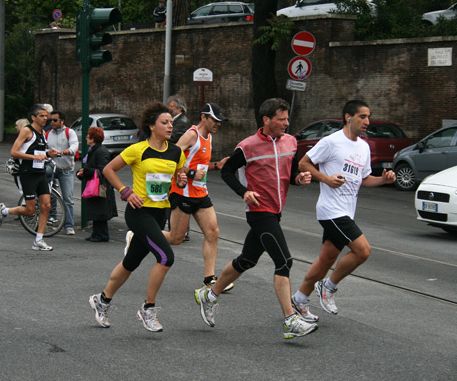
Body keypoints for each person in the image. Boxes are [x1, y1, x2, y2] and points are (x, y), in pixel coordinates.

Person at [194, 98, 318, 339]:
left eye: (287, 118)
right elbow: (228, 172)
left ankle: (209, 295)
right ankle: (290, 320)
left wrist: (299, 179)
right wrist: (244, 192)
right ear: (266, 120)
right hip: (259, 211)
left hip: (276, 211)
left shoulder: (291, 142)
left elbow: (290, 173)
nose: (286, 123)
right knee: (284, 262)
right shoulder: (247, 146)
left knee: (247, 260)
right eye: (281, 119)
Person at [291, 100, 396, 321]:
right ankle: (328, 287)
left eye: (368, 117)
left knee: (326, 260)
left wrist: (384, 180)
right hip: (331, 210)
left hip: (346, 211)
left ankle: (299, 298)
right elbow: (303, 163)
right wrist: (326, 179)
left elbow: (364, 180)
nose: (367, 122)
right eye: (362, 117)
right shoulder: (331, 142)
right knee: (363, 251)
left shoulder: (363, 147)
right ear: (348, 117)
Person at [88, 101, 187, 332]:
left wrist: (181, 180)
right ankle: (148, 309)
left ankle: (102, 300)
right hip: (139, 212)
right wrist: (125, 191)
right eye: (165, 122)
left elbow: (179, 173)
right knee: (165, 257)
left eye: (171, 122)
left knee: (130, 262)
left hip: (160, 212)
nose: (170, 126)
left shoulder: (176, 152)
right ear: (152, 126)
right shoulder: (137, 149)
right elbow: (108, 169)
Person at [162, 103, 234, 291]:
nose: (218, 124)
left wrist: (217, 165)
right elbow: (172, 156)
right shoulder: (191, 134)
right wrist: (191, 173)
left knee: (213, 232)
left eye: (220, 121)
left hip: (200, 194)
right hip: (182, 192)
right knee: (175, 238)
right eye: (215, 120)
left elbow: (202, 166)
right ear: (204, 117)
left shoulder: (209, 138)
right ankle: (139, 234)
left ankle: (209, 279)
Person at [0, 104, 56, 251]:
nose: (45, 118)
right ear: (33, 117)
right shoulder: (27, 131)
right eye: (42, 116)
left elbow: (40, 153)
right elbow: (14, 152)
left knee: (46, 206)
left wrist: (48, 154)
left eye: (46, 115)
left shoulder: (42, 133)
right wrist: (34, 157)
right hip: (28, 174)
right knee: (29, 210)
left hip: (41, 173)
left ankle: (39, 240)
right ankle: (4, 211)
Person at [76, 127, 117, 242]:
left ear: (92, 139)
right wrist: (82, 173)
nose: (86, 138)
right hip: (96, 184)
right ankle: (96, 233)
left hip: (101, 185)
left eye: (88, 136)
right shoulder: (94, 150)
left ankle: (102, 235)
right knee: (96, 209)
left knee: (100, 210)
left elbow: (103, 169)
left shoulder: (100, 151)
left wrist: (86, 171)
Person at [45, 110, 78, 235]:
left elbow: (75, 146)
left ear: (62, 121)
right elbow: (44, 148)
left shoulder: (70, 132)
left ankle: (69, 225)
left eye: (54, 120)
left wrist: (68, 151)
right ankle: (50, 217)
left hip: (66, 170)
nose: (51, 122)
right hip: (52, 167)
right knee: (48, 193)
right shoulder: (48, 133)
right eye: (50, 120)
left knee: (68, 198)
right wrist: (48, 153)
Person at [165, 94, 191, 238]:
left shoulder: (182, 122)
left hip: (177, 163)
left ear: (179, 108)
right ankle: (175, 228)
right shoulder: (176, 121)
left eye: (172, 107)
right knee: (172, 196)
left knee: (178, 196)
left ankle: (180, 230)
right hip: (173, 163)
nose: (169, 109)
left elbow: (173, 139)